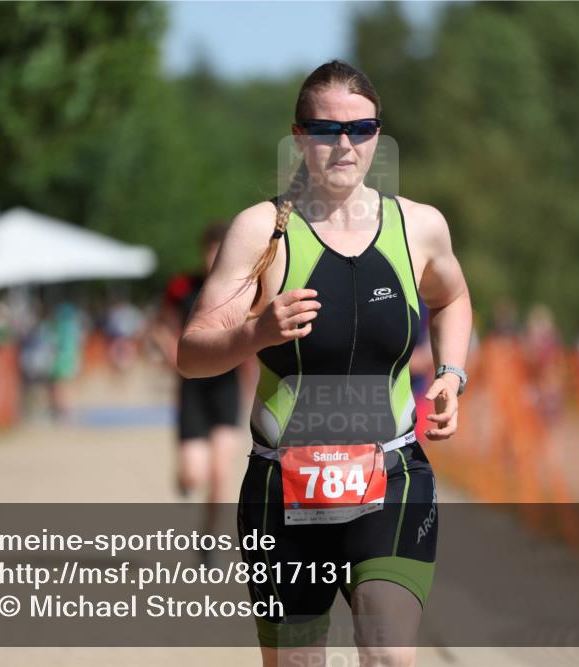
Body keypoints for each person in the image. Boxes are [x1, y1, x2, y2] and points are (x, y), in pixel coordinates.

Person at [177, 60, 472, 666]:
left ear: (377, 135)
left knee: (389, 654)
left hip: (391, 479)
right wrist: (257, 332)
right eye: (326, 129)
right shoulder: (261, 232)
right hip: (284, 492)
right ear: (298, 136)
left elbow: (452, 297)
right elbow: (192, 353)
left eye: (361, 129)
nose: (344, 144)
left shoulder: (419, 227)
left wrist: (450, 373)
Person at [150, 223, 243, 544]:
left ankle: (209, 540)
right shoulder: (182, 286)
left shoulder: (240, 288)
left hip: (226, 386)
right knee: (193, 474)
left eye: (221, 250)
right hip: (192, 385)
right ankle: (184, 477)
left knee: (220, 474)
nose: (213, 257)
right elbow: (159, 326)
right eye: (210, 250)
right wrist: (173, 352)